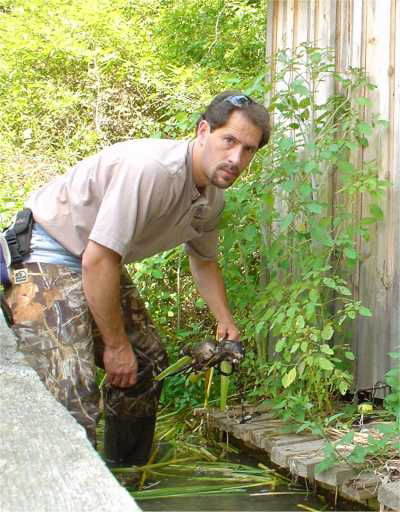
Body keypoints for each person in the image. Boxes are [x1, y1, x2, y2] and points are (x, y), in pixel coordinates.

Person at [3, 90, 270, 467]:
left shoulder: (212, 197)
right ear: (203, 130)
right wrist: (115, 347)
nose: (236, 158)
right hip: (45, 253)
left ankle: (126, 475)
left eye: (248, 150)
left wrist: (225, 321)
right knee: (71, 393)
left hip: (96, 258)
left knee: (146, 361)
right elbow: (99, 260)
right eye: (229, 141)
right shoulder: (152, 171)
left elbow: (204, 262)